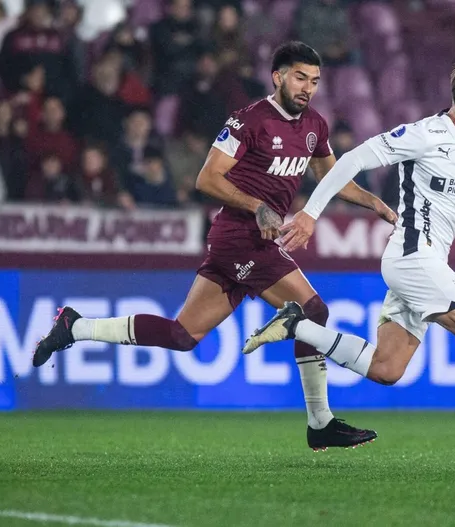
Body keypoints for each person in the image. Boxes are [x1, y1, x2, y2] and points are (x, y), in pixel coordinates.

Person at [32, 41, 396, 451]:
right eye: (299, 77)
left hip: (247, 245)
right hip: (240, 237)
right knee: (313, 311)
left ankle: (74, 326)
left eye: (314, 81)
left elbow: (332, 179)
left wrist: (374, 202)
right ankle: (320, 422)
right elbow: (207, 178)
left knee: (182, 335)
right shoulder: (248, 121)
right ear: (277, 77)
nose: (307, 87)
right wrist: (257, 204)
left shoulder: (315, 125)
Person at [243, 59, 455, 466]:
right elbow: (352, 160)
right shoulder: (424, 135)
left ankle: (295, 325)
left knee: (387, 368)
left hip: (424, 261)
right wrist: (311, 212)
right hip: (411, 257)